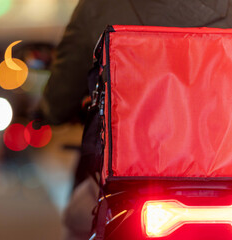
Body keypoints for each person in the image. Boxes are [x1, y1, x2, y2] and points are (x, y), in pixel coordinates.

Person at [39, 0, 232, 239]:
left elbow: (59, 100)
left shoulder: (96, 7)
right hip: (225, 171)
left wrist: (48, 111)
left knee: (76, 220)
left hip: (128, 174)